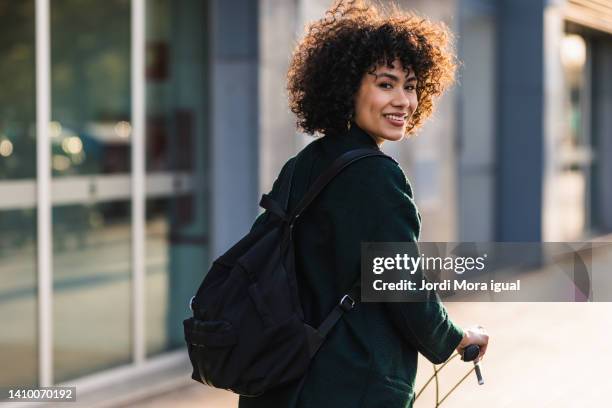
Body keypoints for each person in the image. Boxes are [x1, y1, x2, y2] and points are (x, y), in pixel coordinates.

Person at [239, 1, 489, 407]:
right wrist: (458, 337)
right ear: (348, 87)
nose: (403, 101)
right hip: (349, 385)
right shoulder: (376, 176)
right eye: (385, 84)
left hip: (281, 380)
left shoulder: (305, 164)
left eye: (410, 86)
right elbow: (403, 286)